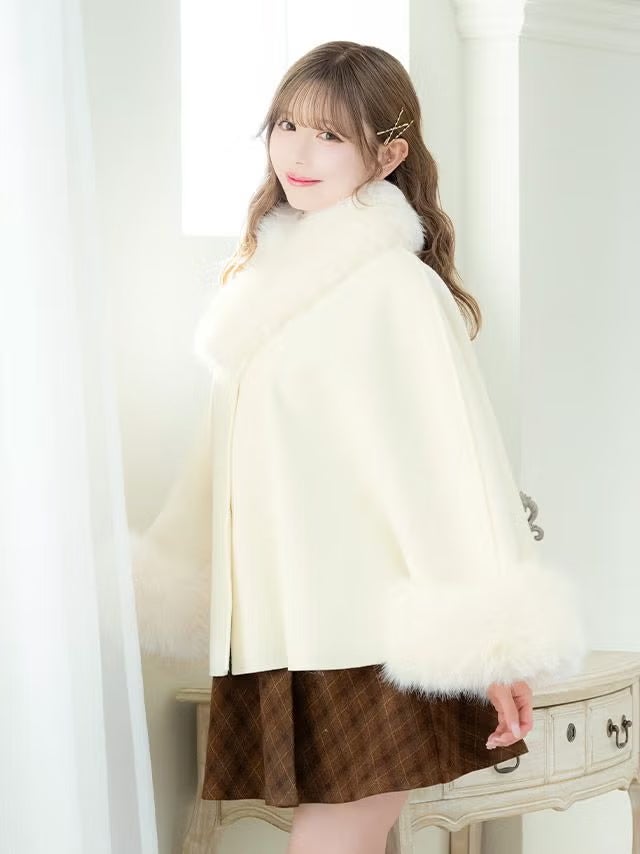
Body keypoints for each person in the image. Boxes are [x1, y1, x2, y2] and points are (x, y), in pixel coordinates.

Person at [130, 41, 588, 854]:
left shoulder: (395, 289)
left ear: (388, 155)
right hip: (284, 627)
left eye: (331, 136)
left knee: (334, 838)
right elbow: (225, 462)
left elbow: (452, 463)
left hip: (368, 634)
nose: (299, 154)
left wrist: (493, 643)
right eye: (287, 126)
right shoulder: (260, 291)